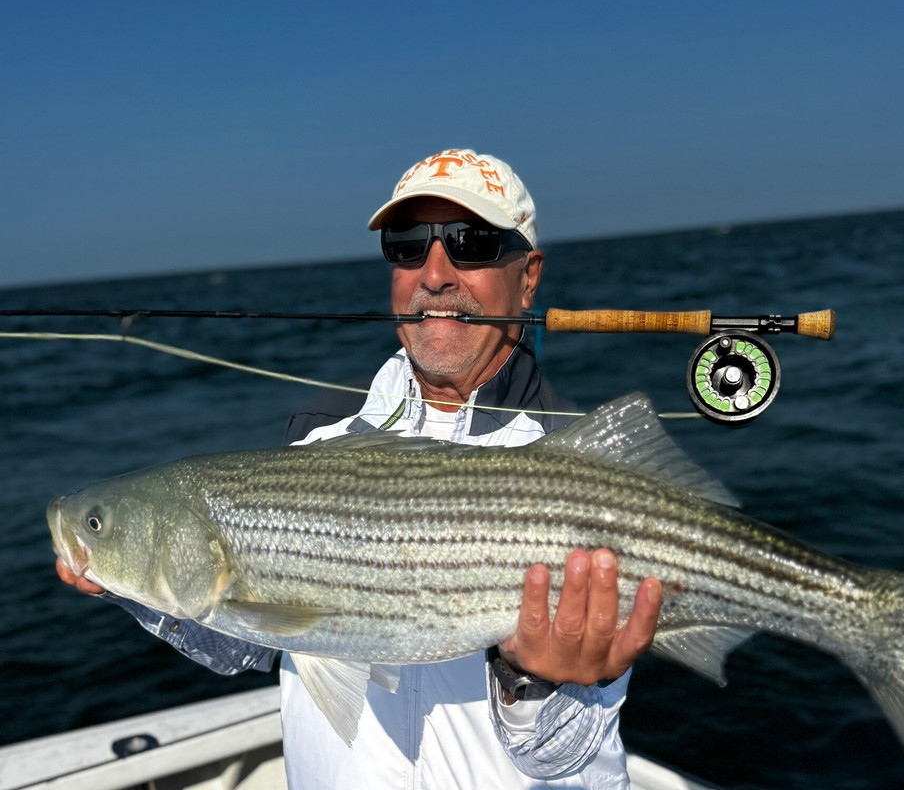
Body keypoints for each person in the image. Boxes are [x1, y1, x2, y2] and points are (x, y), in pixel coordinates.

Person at [58, 148, 663, 788]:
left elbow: (562, 758)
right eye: (407, 246)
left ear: (529, 274)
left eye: (473, 243)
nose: (435, 272)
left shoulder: (582, 467)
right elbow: (248, 642)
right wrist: (135, 585)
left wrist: (534, 680)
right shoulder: (319, 435)